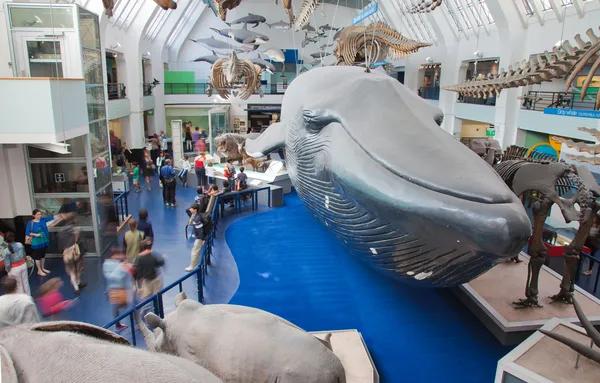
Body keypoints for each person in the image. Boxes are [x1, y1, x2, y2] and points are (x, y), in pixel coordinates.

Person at [103, 248, 134, 332]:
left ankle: (118, 325)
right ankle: (120, 325)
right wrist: (122, 268)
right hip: (117, 290)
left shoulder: (116, 263)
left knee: (117, 307)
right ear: (113, 255)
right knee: (126, 305)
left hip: (119, 289)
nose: (121, 256)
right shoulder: (109, 264)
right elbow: (113, 276)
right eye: (118, 254)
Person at [25, 209, 62, 277]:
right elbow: (27, 232)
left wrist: (61, 215)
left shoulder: (43, 220)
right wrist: (35, 235)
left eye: (40, 214)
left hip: (44, 240)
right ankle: (39, 270)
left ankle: (42, 268)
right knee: (37, 256)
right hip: (36, 241)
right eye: (38, 214)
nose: (40, 216)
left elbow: (52, 217)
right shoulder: (30, 223)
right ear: (34, 215)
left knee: (43, 255)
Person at [57, 213, 87, 294]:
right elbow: (79, 241)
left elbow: (60, 244)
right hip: (76, 252)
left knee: (71, 271)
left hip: (67, 253)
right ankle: (78, 282)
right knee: (78, 268)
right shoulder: (75, 229)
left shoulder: (61, 231)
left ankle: (76, 288)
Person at [185, 203, 210, 272]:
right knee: (196, 251)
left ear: (195, 210)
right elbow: (187, 210)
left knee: (195, 251)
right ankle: (194, 265)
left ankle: (193, 266)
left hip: (199, 237)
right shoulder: (194, 215)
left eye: (191, 208)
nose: (190, 209)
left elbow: (200, 230)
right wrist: (193, 207)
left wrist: (201, 239)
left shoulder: (197, 219)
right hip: (198, 236)